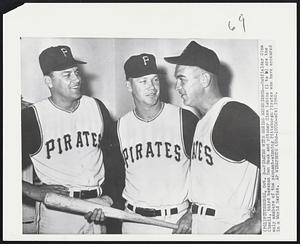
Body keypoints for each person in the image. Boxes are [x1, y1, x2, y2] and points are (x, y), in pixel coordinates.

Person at [164, 41, 261, 234]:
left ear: (204, 79)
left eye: (182, 79)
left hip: (229, 226)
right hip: (202, 226)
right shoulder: (202, 122)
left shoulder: (235, 115)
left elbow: (282, 167)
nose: (177, 86)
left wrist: (259, 220)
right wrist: (193, 213)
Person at [22, 45, 117, 234]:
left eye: (76, 72)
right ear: (48, 81)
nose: (77, 79)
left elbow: (115, 158)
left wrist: (109, 198)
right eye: (67, 75)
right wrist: (32, 190)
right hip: (59, 211)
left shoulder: (96, 107)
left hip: (97, 206)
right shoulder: (32, 117)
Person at [113, 53, 199, 234]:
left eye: (155, 80)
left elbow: (205, 172)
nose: (151, 87)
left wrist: (193, 213)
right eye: (143, 81)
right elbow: (116, 178)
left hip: (176, 221)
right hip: (133, 221)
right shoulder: (120, 126)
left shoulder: (185, 119)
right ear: (129, 86)